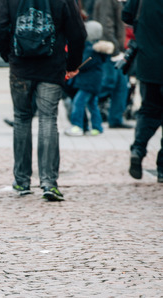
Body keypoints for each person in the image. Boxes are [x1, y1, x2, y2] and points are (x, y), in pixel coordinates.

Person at [0, 0, 86, 201]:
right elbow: (78, 33)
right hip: (52, 66)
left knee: (22, 119)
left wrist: (8, 56)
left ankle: (21, 181)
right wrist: (72, 64)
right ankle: (49, 182)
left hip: (20, 66)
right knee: (48, 119)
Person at [122, 0, 163, 183]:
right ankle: (162, 168)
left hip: (149, 63)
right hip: (150, 61)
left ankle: (138, 149)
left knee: (148, 110)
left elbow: (126, 15)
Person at [65, 21, 114, 137]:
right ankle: (96, 127)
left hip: (87, 83)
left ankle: (77, 126)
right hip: (92, 83)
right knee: (92, 105)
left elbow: (81, 64)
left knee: (78, 102)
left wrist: (71, 63)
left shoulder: (91, 50)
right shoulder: (96, 49)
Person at [92, 0, 133, 129]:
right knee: (109, 82)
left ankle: (116, 118)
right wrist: (116, 50)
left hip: (116, 49)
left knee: (121, 86)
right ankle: (83, 105)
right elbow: (106, 26)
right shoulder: (107, 1)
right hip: (110, 50)